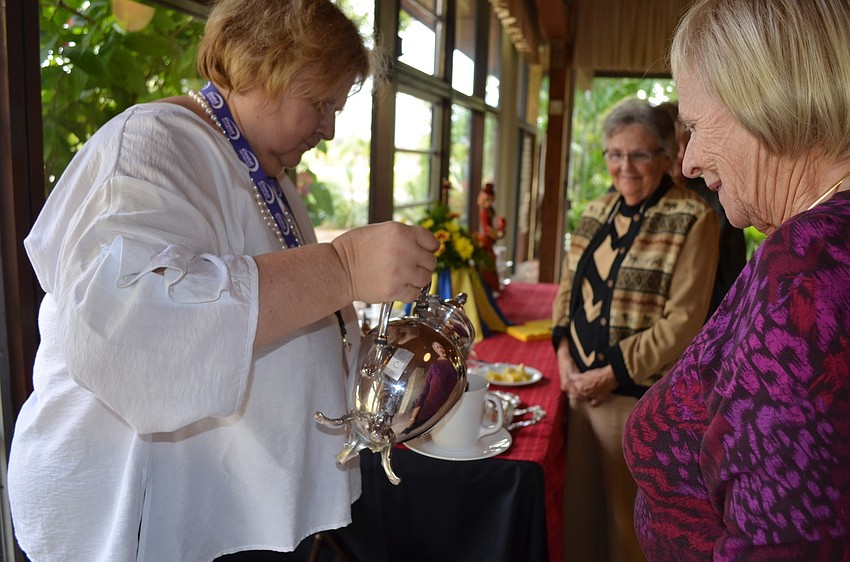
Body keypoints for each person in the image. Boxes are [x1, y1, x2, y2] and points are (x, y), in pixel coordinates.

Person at [7, 1, 439, 561]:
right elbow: (131, 329)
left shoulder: (266, 177)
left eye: (335, 108)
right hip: (143, 517)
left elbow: (285, 318)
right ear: (258, 67)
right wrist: (342, 267)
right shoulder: (150, 143)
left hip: (239, 508)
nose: (330, 130)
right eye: (319, 103)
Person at [623, 0, 850, 560]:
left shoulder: (807, 269)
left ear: (767, 101)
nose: (689, 162)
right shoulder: (811, 242)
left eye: (696, 127)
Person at [551, 98, 720, 562]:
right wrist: (563, 352)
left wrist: (610, 374)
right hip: (578, 391)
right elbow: (567, 288)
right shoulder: (595, 211)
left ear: (666, 157)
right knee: (579, 516)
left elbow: (683, 323)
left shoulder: (693, 219)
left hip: (633, 401)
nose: (624, 166)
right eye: (615, 153)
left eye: (640, 154)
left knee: (627, 525)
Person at [658, 100, 747, 318]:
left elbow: (733, 276)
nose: (681, 154)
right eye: (672, 144)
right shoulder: (633, 198)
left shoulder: (717, 195)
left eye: (688, 141)